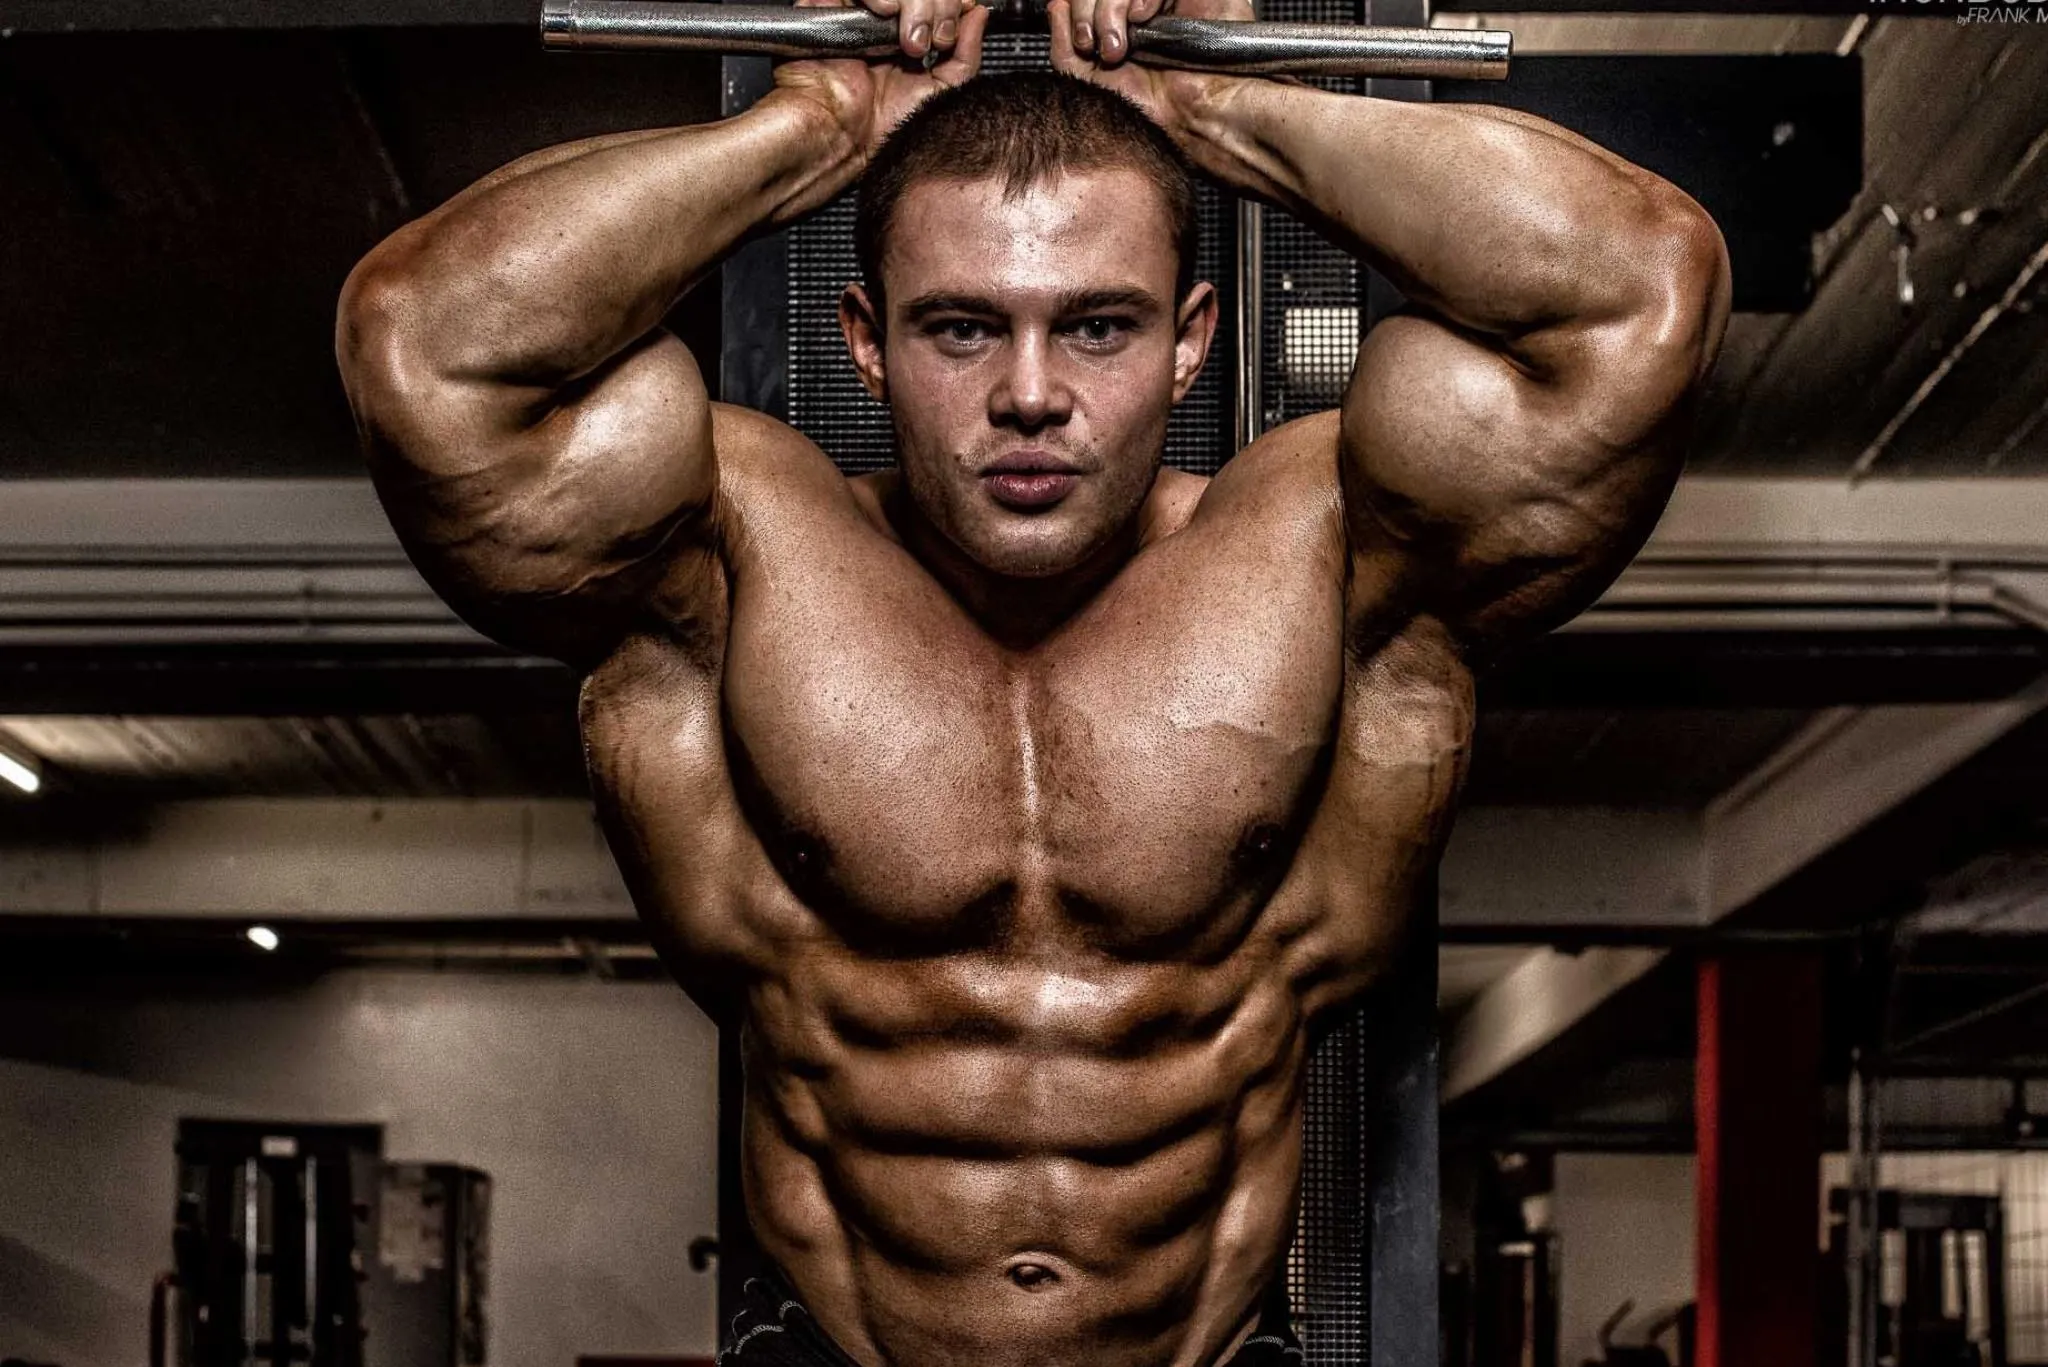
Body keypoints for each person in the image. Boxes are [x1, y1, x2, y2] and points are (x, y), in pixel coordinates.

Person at [333, 0, 1728, 1356]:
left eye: (1099, 326)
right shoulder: (728, 554)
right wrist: (811, 130)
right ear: (866, 343)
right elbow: (424, 344)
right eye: (960, 327)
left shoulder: (1334, 552)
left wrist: (1213, 109)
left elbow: (1640, 290)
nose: (1030, 394)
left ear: (1194, 340)